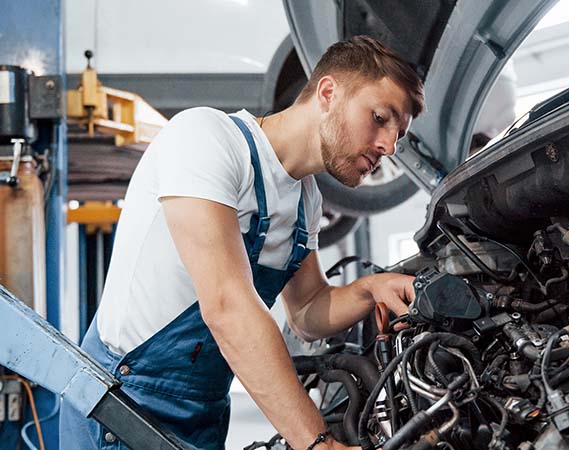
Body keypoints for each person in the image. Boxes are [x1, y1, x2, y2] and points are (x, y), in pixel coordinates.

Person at [60, 35, 425, 450]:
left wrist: (370, 288)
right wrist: (316, 441)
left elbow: (306, 310)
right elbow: (227, 305)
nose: (389, 146)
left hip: (204, 414)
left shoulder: (307, 200)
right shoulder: (207, 139)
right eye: (381, 117)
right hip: (122, 405)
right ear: (327, 93)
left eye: (399, 134)